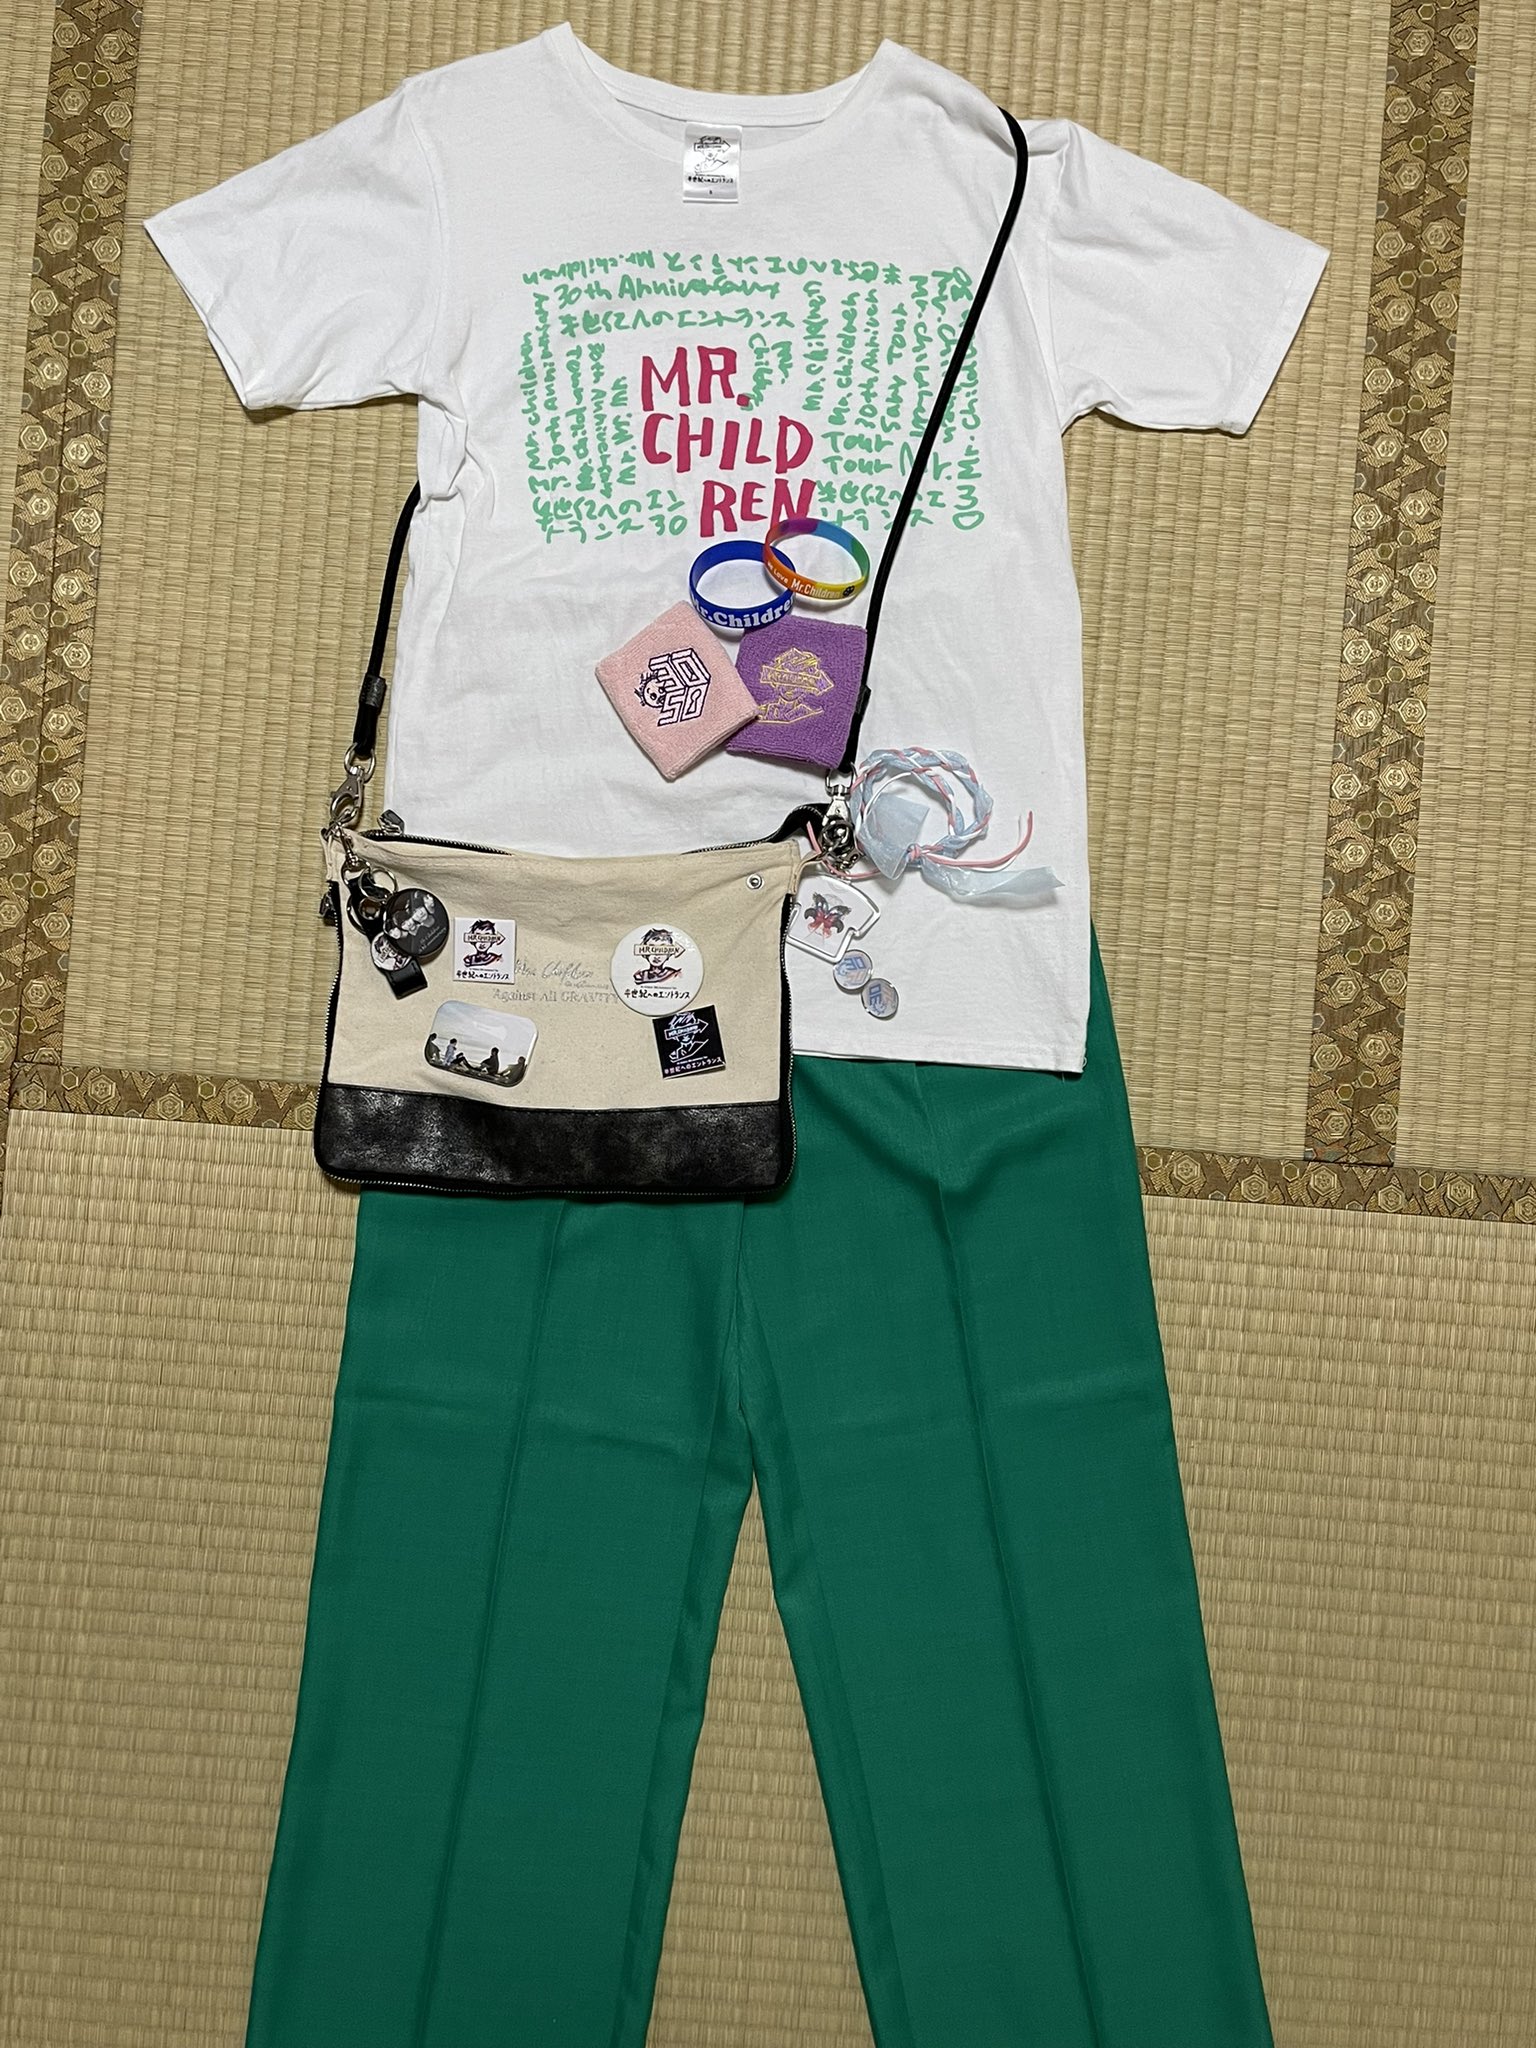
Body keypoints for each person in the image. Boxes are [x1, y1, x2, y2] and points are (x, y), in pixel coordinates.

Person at [143, 25, 1327, 2047]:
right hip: (546, 1029)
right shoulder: (462, 153)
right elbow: (253, 290)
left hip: (937, 1014)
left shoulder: (1001, 179)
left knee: (1031, 1627)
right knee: (481, 1632)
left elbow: (1236, 313)